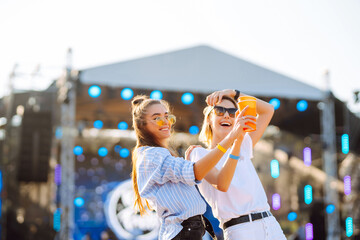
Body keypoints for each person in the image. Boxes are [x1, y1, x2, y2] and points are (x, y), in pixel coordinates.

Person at [131, 94, 252, 240]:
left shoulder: (156, 154)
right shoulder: (153, 155)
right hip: (184, 232)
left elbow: (191, 172)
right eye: (157, 118)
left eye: (167, 116)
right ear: (141, 125)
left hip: (186, 231)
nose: (165, 122)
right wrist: (231, 137)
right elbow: (196, 172)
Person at [187, 89, 286, 240]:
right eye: (219, 111)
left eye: (232, 112)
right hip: (240, 229)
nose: (226, 115)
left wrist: (234, 93)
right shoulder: (199, 154)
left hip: (270, 224)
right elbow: (222, 184)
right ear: (208, 119)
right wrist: (236, 141)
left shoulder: (244, 144)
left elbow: (268, 110)